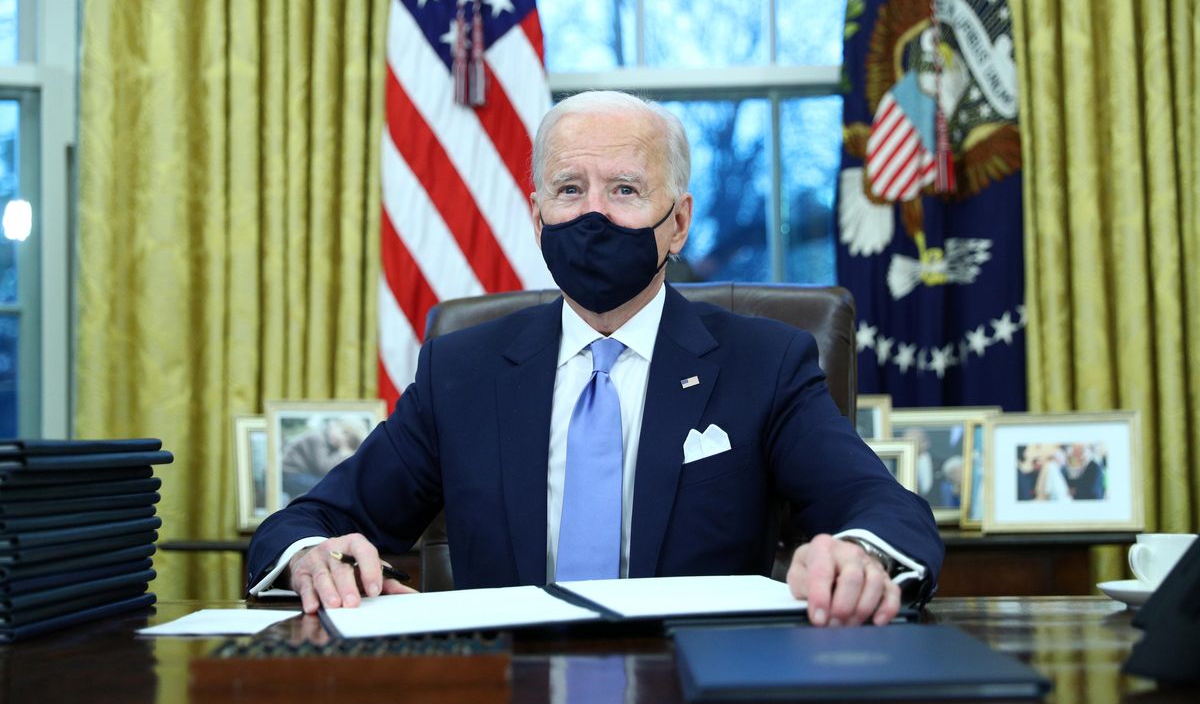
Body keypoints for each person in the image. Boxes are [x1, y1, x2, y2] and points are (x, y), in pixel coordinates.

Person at [247, 91, 943, 627]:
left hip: (692, 683)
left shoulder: (764, 362)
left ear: (678, 222)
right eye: (570, 190)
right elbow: (305, 522)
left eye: (625, 190)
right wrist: (314, 559)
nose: (593, 216)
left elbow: (882, 506)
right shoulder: (463, 372)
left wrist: (862, 554)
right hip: (509, 686)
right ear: (536, 212)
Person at [280, 416, 370, 504]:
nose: (343, 439)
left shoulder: (331, 444)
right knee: (328, 486)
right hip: (290, 475)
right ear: (334, 425)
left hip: (304, 474)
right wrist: (343, 453)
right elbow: (324, 468)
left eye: (349, 440)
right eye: (344, 432)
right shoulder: (317, 438)